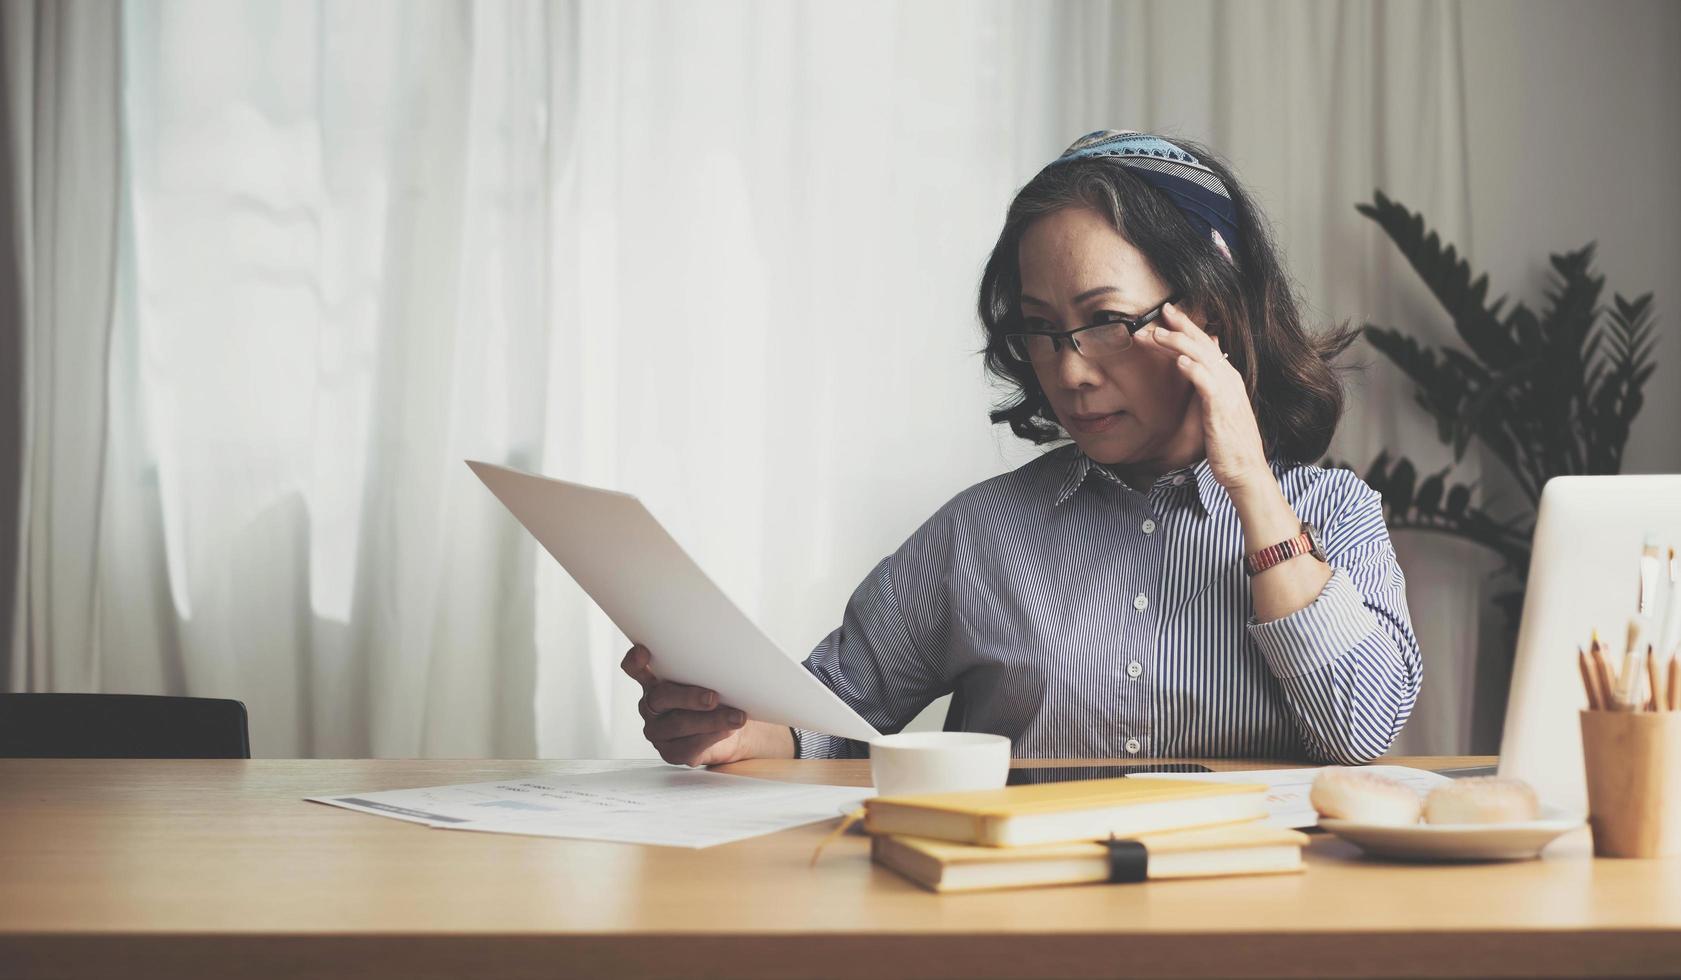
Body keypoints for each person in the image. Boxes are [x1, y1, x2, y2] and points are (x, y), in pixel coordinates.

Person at [621, 129, 1421, 767]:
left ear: (1205, 315)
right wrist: (731, 730)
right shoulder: (978, 534)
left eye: (1107, 319)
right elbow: (830, 718)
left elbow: (1359, 732)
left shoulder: (1333, 514)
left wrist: (1248, 484)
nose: (1069, 371)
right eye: (1040, 329)